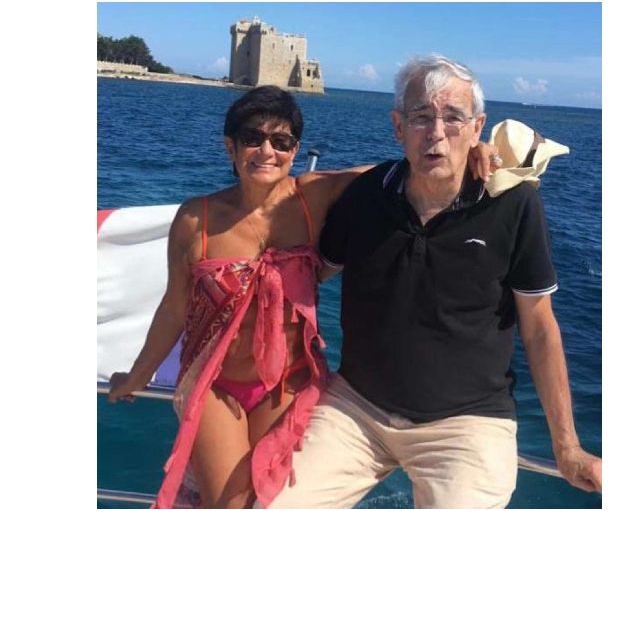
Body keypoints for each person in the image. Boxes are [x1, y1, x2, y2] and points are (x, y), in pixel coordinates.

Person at [107, 84, 501, 508]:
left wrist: (468, 151)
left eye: (281, 141)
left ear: (295, 151)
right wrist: (137, 375)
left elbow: (402, 170)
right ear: (230, 146)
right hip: (217, 383)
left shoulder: (312, 197)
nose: (266, 151)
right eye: (252, 138)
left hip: (288, 383)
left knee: (272, 507)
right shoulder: (195, 218)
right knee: (230, 508)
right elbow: (174, 307)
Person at [265, 55, 602, 509]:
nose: (436, 132)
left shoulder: (514, 205)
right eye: (421, 116)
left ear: (477, 127)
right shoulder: (367, 195)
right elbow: (312, 272)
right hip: (355, 407)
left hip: (468, 424)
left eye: (454, 117)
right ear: (398, 126)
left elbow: (539, 327)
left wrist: (567, 446)